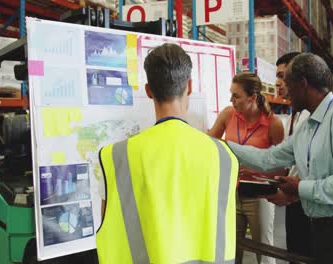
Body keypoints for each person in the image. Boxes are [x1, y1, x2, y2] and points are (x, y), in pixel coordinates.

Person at [227, 53, 333, 264]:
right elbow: (269, 158)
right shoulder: (307, 126)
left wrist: (300, 188)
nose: (285, 91)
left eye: (288, 84)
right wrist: (223, 147)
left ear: (303, 84)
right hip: (322, 229)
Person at [96, 43, 239, 264]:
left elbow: (108, 221)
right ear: (189, 87)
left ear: (148, 91)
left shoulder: (115, 158)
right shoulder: (223, 155)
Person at [208, 72, 285, 264]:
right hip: (232, 193)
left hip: (259, 197)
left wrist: (256, 169)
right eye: (231, 94)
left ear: (252, 97)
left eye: (236, 95)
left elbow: (282, 169)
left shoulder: (273, 124)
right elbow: (211, 145)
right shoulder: (228, 115)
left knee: (264, 253)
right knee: (231, 251)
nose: (231, 100)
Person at [274, 52, 312, 260]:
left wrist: (292, 195)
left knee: (304, 253)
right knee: (295, 253)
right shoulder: (293, 115)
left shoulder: (309, 117)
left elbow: (311, 166)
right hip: (294, 198)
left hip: (305, 200)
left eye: (282, 76)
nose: (277, 83)